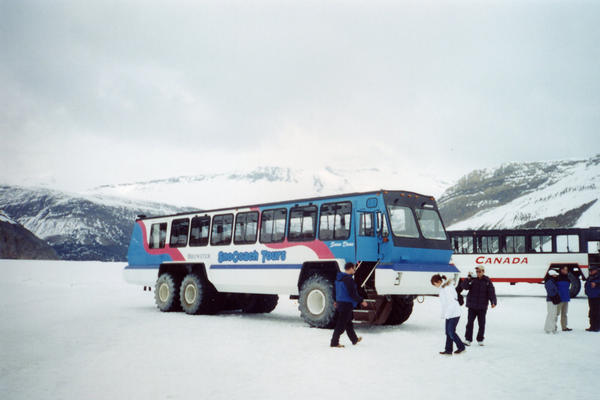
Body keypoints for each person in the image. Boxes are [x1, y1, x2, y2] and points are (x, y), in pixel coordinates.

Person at [330, 262, 367, 348]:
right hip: (346, 303)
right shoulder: (348, 279)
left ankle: (354, 339)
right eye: (354, 268)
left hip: (341, 303)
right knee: (341, 325)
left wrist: (335, 300)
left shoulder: (339, 278)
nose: (354, 270)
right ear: (350, 268)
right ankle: (334, 342)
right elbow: (352, 293)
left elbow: (334, 291)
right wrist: (361, 301)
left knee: (348, 323)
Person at [461, 265, 497, 346]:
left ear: (483, 271)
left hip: (482, 307)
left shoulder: (487, 281)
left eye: (480, 271)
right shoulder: (472, 280)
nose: (478, 273)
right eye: (477, 271)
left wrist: (493, 302)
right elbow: (464, 287)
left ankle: (480, 339)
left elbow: (491, 292)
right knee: (470, 323)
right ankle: (468, 339)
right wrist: (468, 279)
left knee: (481, 324)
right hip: (472, 306)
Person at [431, 274, 466, 355]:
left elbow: (452, 302)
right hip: (449, 313)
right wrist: (445, 314)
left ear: (439, 281)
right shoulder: (443, 288)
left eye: (435, 284)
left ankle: (461, 347)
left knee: (451, 332)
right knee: (448, 332)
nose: (435, 286)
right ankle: (448, 350)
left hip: (454, 313)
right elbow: (445, 303)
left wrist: (447, 314)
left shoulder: (447, 288)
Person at [544, 269, 561, 334]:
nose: (556, 276)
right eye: (555, 274)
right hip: (551, 300)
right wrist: (555, 298)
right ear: (552, 275)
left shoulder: (551, 281)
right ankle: (550, 329)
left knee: (551, 314)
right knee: (552, 314)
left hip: (551, 299)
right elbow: (551, 291)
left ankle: (548, 328)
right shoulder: (550, 281)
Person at [556, 266, 572, 331]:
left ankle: (564, 327)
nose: (565, 271)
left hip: (566, 298)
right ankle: (553, 326)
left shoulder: (568, 278)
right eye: (564, 270)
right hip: (559, 299)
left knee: (564, 314)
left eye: (566, 270)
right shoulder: (557, 278)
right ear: (561, 270)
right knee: (556, 313)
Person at [585, 265, 600, 332]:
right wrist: (587, 292)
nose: (590, 271)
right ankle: (592, 326)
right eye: (590, 270)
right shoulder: (589, 277)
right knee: (591, 312)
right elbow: (586, 285)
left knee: (597, 312)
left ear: (596, 270)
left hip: (597, 297)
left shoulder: (598, 277)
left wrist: (596, 283)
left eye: (592, 270)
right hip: (591, 297)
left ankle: (597, 326)